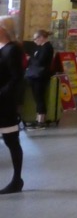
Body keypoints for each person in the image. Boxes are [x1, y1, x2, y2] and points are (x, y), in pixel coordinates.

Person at [0, 16, 24, 194]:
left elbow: (16, 78)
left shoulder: (12, 50)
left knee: (11, 141)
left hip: (5, 105)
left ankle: (17, 179)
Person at [25, 29, 54, 128]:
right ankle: (38, 119)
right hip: (36, 76)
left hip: (41, 76)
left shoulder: (47, 47)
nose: (34, 41)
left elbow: (40, 62)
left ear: (41, 37)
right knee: (37, 98)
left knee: (40, 97)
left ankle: (41, 121)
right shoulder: (40, 47)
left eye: (36, 38)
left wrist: (30, 59)